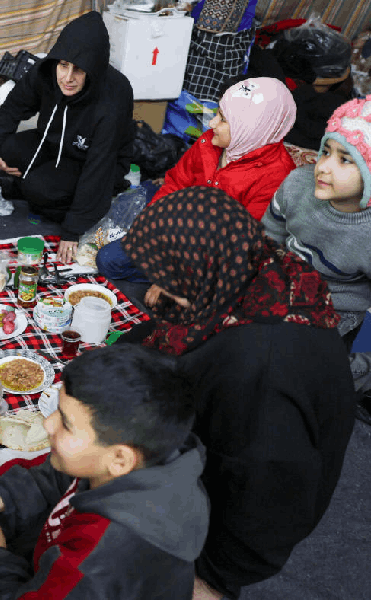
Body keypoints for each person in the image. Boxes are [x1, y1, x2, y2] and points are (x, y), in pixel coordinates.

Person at [118, 187, 356, 599]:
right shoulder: (257, 269)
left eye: (166, 276)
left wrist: (208, 580)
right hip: (237, 444)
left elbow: (264, 505)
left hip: (235, 518)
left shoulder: (259, 378)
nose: (155, 288)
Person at [0, 344, 209, 600]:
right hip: (49, 556)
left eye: (65, 422)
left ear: (120, 458)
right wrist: (5, 494)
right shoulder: (141, 463)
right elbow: (62, 476)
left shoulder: (97, 561)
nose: (47, 425)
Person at [97, 76, 297, 286]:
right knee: (109, 258)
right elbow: (176, 183)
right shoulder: (209, 141)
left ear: (252, 126)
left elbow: (240, 246)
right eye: (218, 113)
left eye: (223, 118)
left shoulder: (276, 177)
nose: (212, 123)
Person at [0, 11, 136, 264]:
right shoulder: (46, 72)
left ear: (94, 69)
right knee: (10, 149)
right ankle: (43, 185)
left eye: (78, 70)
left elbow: (98, 166)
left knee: (38, 188)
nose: (67, 78)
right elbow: (13, 106)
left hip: (93, 159)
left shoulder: (113, 99)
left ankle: (82, 203)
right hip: (54, 142)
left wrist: (73, 230)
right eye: (63, 65)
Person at [262, 96, 371, 393]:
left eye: (345, 159)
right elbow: (269, 235)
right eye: (326, 151)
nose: (323, 167)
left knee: (296, 371)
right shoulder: (297, 185)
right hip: (284, 280)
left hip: (336, 309)